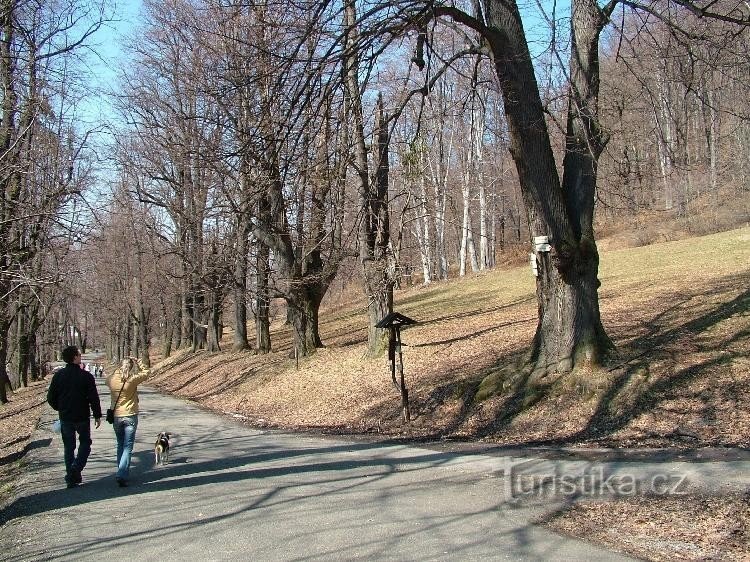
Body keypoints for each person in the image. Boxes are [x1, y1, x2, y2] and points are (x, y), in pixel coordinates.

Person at [47, 346, 102, 488]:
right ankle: (75, 469)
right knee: (85, 443)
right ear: (74, 357)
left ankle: (71, 476)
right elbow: (93, 398)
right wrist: (97, 415)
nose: (81, 355)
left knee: (69, 447)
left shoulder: (58, 376)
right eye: (79, 354)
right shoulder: (86, 376)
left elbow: (51, 397)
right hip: (82, 416)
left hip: (66, 417)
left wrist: (60, 408)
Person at [105, 356, 151, 487]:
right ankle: (122, 473)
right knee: (128, 446)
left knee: (120, 444)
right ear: (131, 367)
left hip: (117, 416)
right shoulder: (133, 379)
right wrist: (139, 361)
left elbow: (106, 380)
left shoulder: (112, 379)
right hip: (130, 414)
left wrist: (116, 370)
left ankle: (121, 470)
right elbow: (147, 372)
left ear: (120, 366)